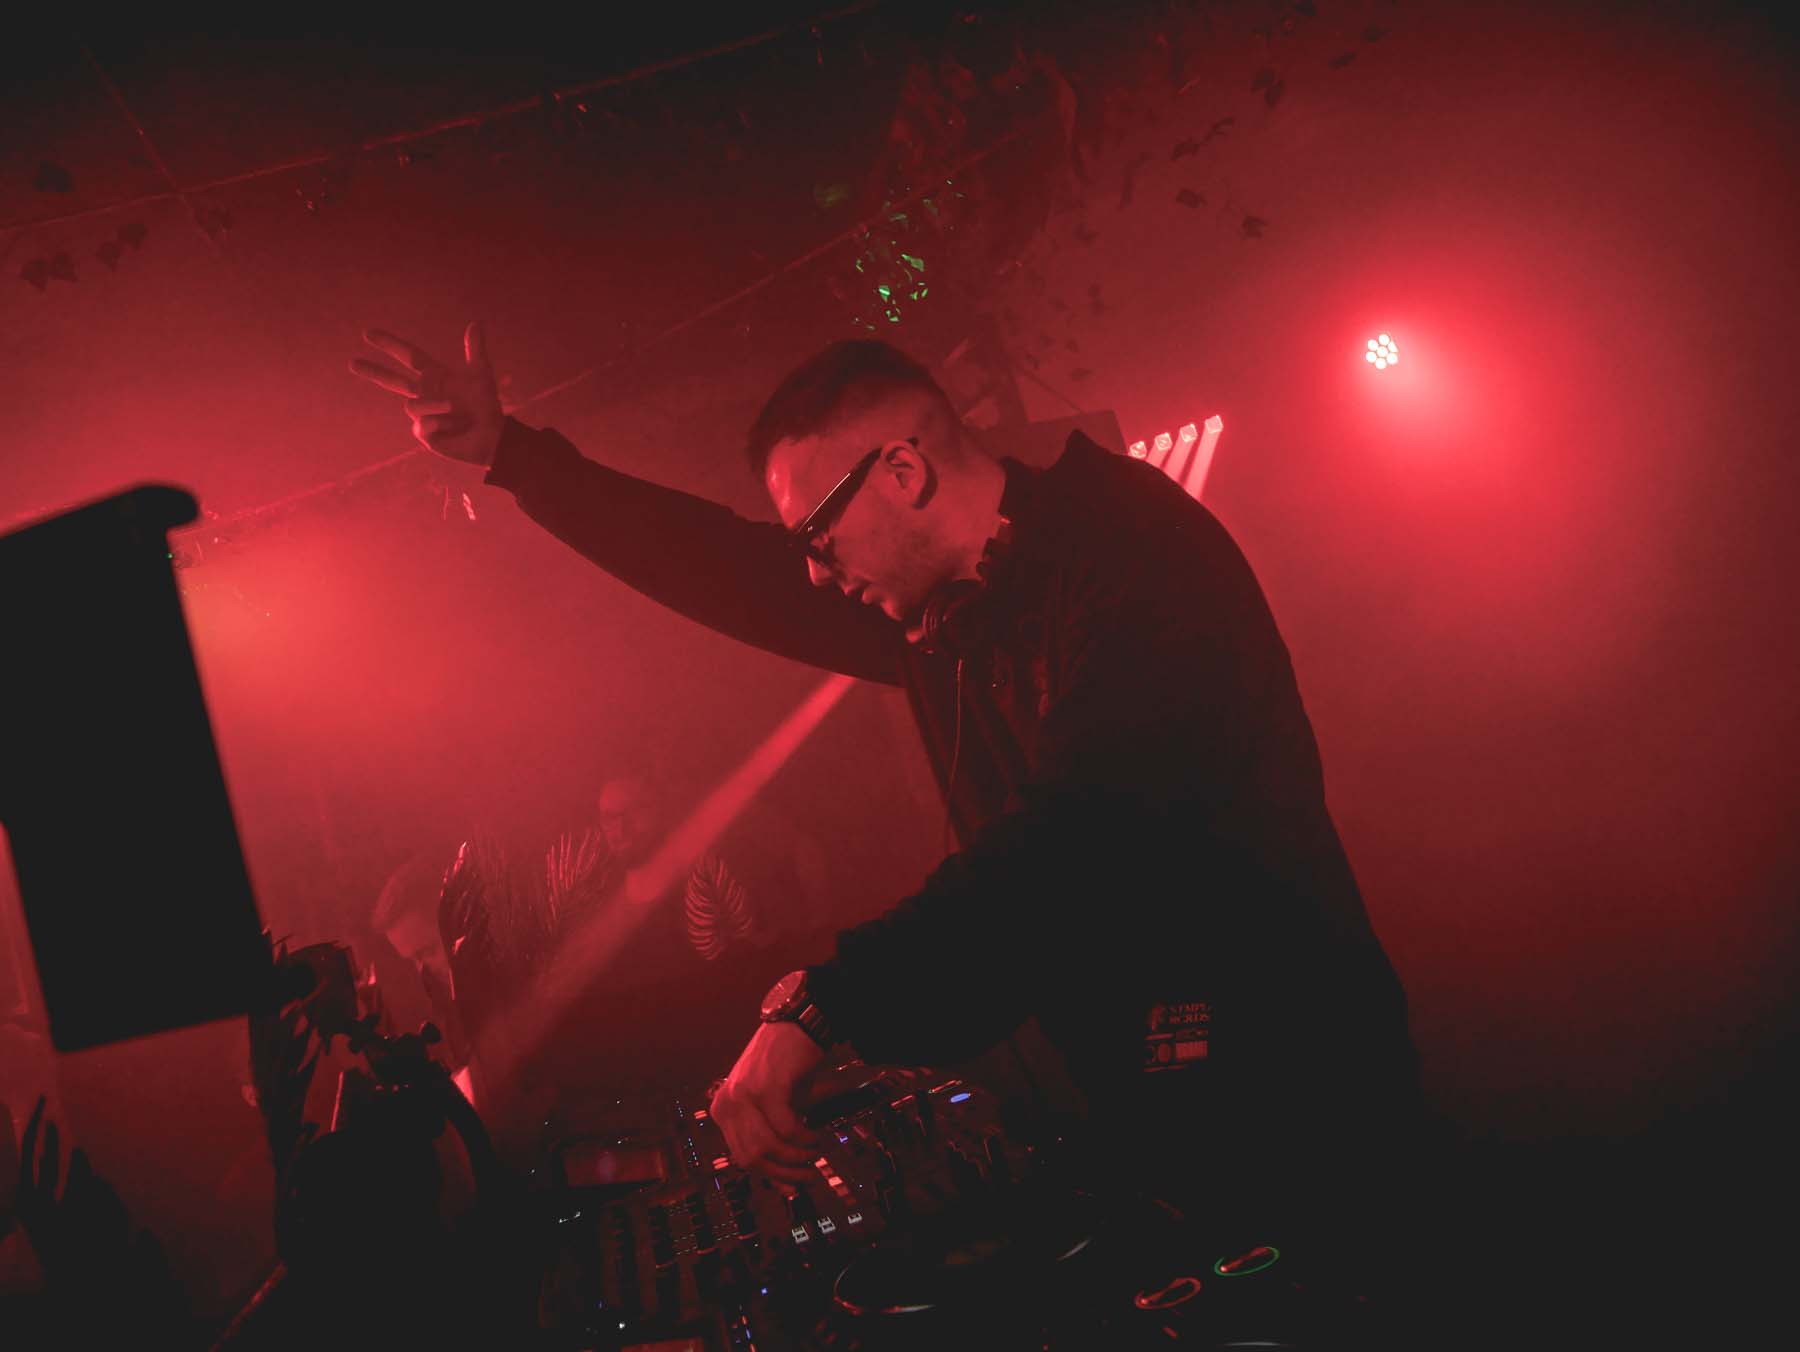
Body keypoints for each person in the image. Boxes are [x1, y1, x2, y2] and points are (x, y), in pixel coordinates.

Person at [349, 326, 1421, 1273]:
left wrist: (831, 1002)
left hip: (1291, 1081)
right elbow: (722, 567)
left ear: (903, 470)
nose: (815, 574)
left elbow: (1080, 833)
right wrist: (516, 457)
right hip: (1150, 1094)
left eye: (818, 536)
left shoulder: (1135, 559)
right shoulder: (948, 609)